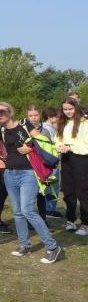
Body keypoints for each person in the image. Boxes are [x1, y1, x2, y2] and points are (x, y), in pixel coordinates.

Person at [0, 103, 63, 263]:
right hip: (10, 173)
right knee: (17, 212)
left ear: (10, 111)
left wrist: (31, 148)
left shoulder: (25, 124)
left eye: (2, 111)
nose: (0, 115)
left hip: (28, 173)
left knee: (28, 210)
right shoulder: (1, 130)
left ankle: (53, 247)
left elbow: (44, 142)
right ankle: (24, 244)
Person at [55, 97, 88, 235]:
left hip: (82, 159)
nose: (68, 112)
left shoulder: (85, 122)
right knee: (68, 190)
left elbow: (86, 143)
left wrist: (70, 147)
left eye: (70, 109)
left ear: (76, 108)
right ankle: (70, 220)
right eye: (65, 109)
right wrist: (59, 146)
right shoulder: (62, 122)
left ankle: (85, 224)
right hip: (66, 159)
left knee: (83, 191)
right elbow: (57, 138)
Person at [42, 107, 63, 218]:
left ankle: (48, 208)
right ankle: (49, 209)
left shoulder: (46, 127)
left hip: (50, 160)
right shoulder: (48, 129)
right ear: (51, 117)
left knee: (50, 185)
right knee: (52, 185)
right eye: (57, 116)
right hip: (51, 161)